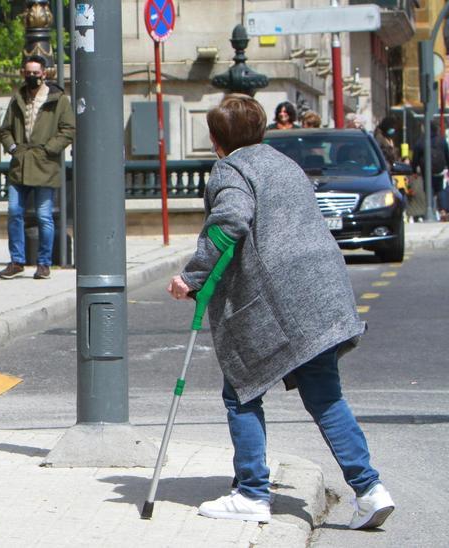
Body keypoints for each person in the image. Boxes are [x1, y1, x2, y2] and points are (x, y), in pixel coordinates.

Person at [168, 94, 394, 529]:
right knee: (326, 397)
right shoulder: (282, 162)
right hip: (322, 292)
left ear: (216, 140)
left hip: (279, 303)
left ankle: (251, 492)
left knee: (242, 389)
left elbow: (231, 220)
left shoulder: (230, 169)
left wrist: (192, 277)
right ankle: (369, 489)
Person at [0, 55, 75, 280]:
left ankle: (44, 263)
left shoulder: (58, 99)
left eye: (36, 73)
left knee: (44, 216)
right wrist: (13, 148)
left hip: (44, 164)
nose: (32, 77)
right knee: (14, 211)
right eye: (28, 73)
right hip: (20, 164)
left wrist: (49, 149)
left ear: (45, 73)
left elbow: (68, 128)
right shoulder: (18, 97)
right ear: (23, 73)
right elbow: (5, 129)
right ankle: (17, 261)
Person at [411, 127, 449, 220]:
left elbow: (415, 158)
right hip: (439, 171)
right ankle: (443, 210)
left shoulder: (420, 142)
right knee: (440, 190)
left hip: (426, 172)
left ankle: (430, 210)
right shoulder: (442, 140)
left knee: (429, 191)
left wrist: (414, 170)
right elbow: (447, 154)